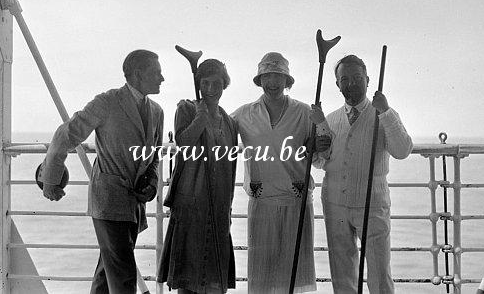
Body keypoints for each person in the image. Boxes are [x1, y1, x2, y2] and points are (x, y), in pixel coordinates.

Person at [40, 49, 165, 294]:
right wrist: (51, 178)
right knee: (123, 276)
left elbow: (155, 156)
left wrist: (152, 180)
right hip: (108, 201)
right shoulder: (107, 102)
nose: (163, 78)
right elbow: (67, 134)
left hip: (134, 206)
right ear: (138, 75)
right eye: (157, 73)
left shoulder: (157, 111)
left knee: (106, 276)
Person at [231, 52, 330, 293]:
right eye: (267, 76)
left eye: (278, 76)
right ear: (259, 79)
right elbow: (218, 135)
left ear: (287, 81)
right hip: (261, 201)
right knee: (262, 275)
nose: (272, 82)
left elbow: (323, 155)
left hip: (296, 200)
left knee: (295, 276)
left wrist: (320, 130)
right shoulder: (243, 114)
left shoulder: (306, 112)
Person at [313, 54, 413, 294]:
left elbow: (402, 150)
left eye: (357, 78)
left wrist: (386, 111)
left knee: (379, 271)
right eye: (344, 79)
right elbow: (320, 161)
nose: (351, 84)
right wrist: (318, 133)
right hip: (335, 202)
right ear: (337, 84)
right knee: (342, 270)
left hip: (372, 203)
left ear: (368, 80)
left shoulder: (383, 114)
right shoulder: (331, 118)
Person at [158, 59, 238, 294]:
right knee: (189, 277)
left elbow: (230, 168)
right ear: (198, 84)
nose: (211, 89)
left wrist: (228, 207)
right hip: (191, 204)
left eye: (217, 84)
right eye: (205, 83)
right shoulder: (187, 108)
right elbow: (182, 144)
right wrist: (200, 120)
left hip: (219, 206)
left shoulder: (230, 122)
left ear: (225, 85)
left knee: (215, 280)